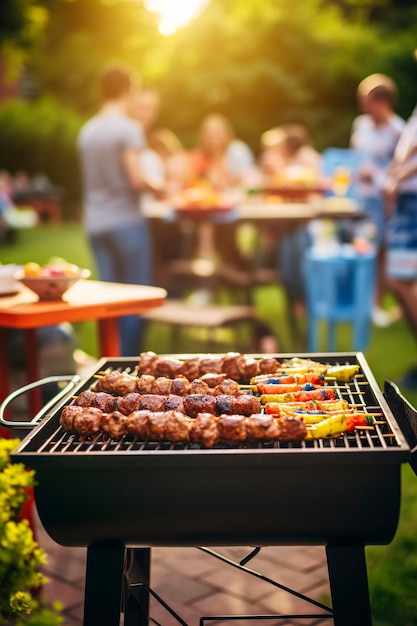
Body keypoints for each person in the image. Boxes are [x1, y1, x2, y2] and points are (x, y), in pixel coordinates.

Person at [77, 64, 160, 356]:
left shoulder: (87, 131)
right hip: (127, 222)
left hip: (96, 224)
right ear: (127, 90)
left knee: (108, 300)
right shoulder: (128, 128)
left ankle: (109, 362)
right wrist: (160, 186)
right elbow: (136, 179)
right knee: (134, 297)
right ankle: (129, 364)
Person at [350, 73, 406, 326]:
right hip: (361, 199)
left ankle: (376, 304)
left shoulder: (399, 132)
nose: (364, 106)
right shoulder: (361, 125)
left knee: (381, 253)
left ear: (382, 102)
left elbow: (402, 170)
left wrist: (375, 176)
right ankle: (361, 302)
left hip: (384, 202)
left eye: (367, 100)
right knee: (363, 249)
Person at [259, 124, 322, 318]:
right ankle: (297, 300)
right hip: (287, 225)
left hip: (306, 224)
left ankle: (302, 299)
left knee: (296, 246)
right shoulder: (286, 163)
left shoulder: (307, 160)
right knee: (289, 247)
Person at [383, 103, 417, 390]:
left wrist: (396, 178)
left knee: (401, 281)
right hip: (407, 205)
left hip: (414, 203)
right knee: (399, 282)